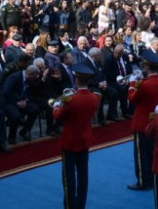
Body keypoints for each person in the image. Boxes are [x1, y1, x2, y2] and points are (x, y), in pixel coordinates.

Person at [53, 61, 102, 209]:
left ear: (77, 80)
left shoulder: (71, 100)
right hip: (85, 138)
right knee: (83, 175)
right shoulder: (94, 97)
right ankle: (81, 204)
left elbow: (58, 115)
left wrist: (56, 105)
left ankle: (69, 205)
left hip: (70, 140)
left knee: (69, 177)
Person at [128, 49, 158, 190]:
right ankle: (152, 177)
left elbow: (132, 98)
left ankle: (143, 181)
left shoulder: (144, 84)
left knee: (141, 154)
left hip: (142, 122)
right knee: (153, 150)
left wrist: (132, 85)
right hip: (156, 120)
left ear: (146, 66)